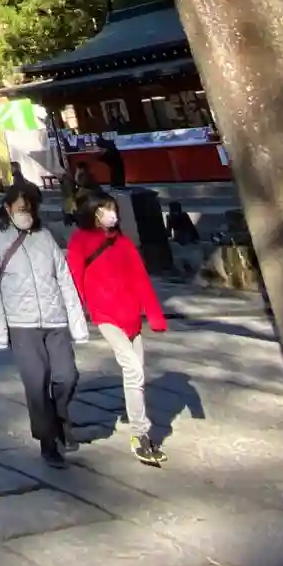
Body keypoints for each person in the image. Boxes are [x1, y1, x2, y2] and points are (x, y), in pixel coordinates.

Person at [0, 179, 89, 469]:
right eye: (21, 208)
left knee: (67, 376)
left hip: (55, 319)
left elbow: (64, 277)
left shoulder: (44, 235)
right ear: (8, 207)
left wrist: (77, 322)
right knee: (36, 382)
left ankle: (59, 417)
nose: (26, 213)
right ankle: (48, 440)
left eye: (30, 208)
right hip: (21, 323)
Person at [68, 191, 169, 467]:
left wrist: (154, 315)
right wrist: (77, 314)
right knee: (133, 369)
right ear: (92, 212)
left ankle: (139, 430)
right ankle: (140, 433)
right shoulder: (80, 240)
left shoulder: (123, 242)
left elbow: (141, 279)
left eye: (112, 208)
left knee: (137, 373)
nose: (110, 214)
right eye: (104, 209)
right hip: (105, 315)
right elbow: (75, 277)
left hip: (131, 315)